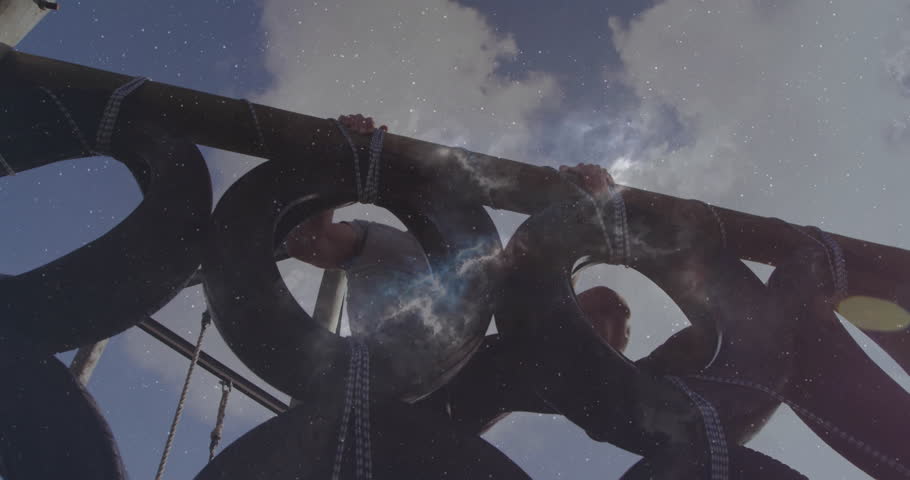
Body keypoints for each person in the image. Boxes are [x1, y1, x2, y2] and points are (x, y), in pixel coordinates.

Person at [285, 114, 632, 432]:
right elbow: (308, 242)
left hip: (464, 381)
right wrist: (345, 162)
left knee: (607, 309)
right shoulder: (381, 242)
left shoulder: (483, 255)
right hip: (389, 374)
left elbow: (556, 311)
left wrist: (584, 206)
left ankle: (663, 415)